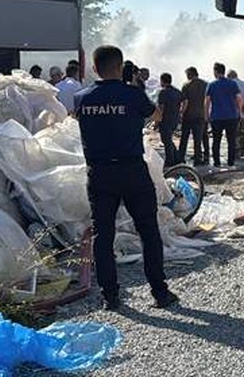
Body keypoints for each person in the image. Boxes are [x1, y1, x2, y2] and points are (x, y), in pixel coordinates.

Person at [73, 45, 178, 310]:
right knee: (149, 232)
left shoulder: (81, 98)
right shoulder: (132, 95)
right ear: (120, 68)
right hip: (132, 171)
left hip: (100, 174)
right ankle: (160, 292)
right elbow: (156, 115)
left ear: (94, 69)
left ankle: (110, 297)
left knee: (103, 235)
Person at [205, 62, 242, 167]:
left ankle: (217, 163)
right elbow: (239, 99)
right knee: (231, 140)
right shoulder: (233, 84)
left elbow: (207, 101)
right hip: (231, 116)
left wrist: (206, 115)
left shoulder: (211, 85)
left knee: (216, 141)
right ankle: (231, 162)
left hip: (216, 117)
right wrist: (239, 112)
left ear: (216, 71)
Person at [179, 67, 210, 165]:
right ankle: (198, 159)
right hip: (200, 115)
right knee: (198, 139)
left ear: (190, 74)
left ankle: (181, 157)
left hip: (188, 116)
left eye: (187, 74)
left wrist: (181, 113)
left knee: (184, 138)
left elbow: (185, 102)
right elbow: (208, 100)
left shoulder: (186, 85)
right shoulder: (205, 85)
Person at [155, 72, 183, 168]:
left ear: (162, 81)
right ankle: (177, 158)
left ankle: (170, 161)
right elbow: (184, 102)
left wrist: (157, 121)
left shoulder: (163, 92)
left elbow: (161, 108)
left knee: (166, 140)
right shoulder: (177, 92)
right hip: (174, 119)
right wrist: (180, 113)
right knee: (168, 140)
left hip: (165, 120)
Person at [227, 69, 244, 157]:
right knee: (243, 133)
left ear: (229, 76)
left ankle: (236, 151)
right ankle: (242, 150)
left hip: (233, 113)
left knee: (234, 133)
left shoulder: (230, 85)